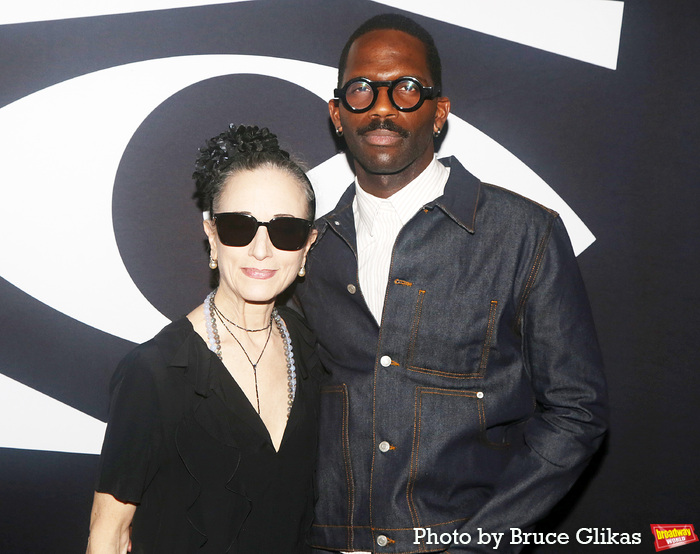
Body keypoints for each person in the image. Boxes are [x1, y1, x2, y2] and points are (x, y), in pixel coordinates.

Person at [294, 14, 608, 554]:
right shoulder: (307, 251)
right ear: (338, 114)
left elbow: (577, 411)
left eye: (407, 89)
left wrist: (477, 542)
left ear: (439, 112)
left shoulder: (524, 235)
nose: (383, 107)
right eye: (362, 89)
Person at [87, 125, 321, 553]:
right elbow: (109, 534)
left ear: (307, 245)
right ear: (212, 237)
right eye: (239, 228)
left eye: (285, 231)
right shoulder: (156, 373)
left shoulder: (313, 351)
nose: (261, 250)